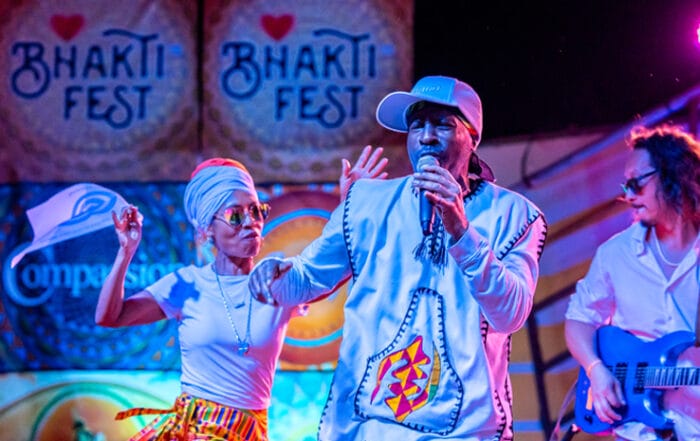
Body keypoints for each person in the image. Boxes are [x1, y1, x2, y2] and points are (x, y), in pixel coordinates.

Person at [249, 75, 548, 440]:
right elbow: (305, 280)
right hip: (368, 426)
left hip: (465, 430)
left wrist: (461, 231)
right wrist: (270, 273)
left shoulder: (515, 215)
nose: (426, 137)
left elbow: (511, 313)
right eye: (416, 125)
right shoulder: (366, 202)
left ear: (472, 137)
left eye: (442, 124)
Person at [94, 153, 386, 441]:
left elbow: (336, 262)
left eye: (256, 211)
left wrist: (351, 206)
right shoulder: (187, 284)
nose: (251, 223)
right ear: (208, 228)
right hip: (193, 433)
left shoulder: (278, 282)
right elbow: (110, 316)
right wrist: (125, 252)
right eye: (236, 215)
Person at [565, 124, 700, 441]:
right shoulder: (615, 253)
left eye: (636, 183)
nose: (627, 196)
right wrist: (596, 370)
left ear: (675, 176)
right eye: (625, 185)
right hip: (637, 432)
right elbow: (579, 320)